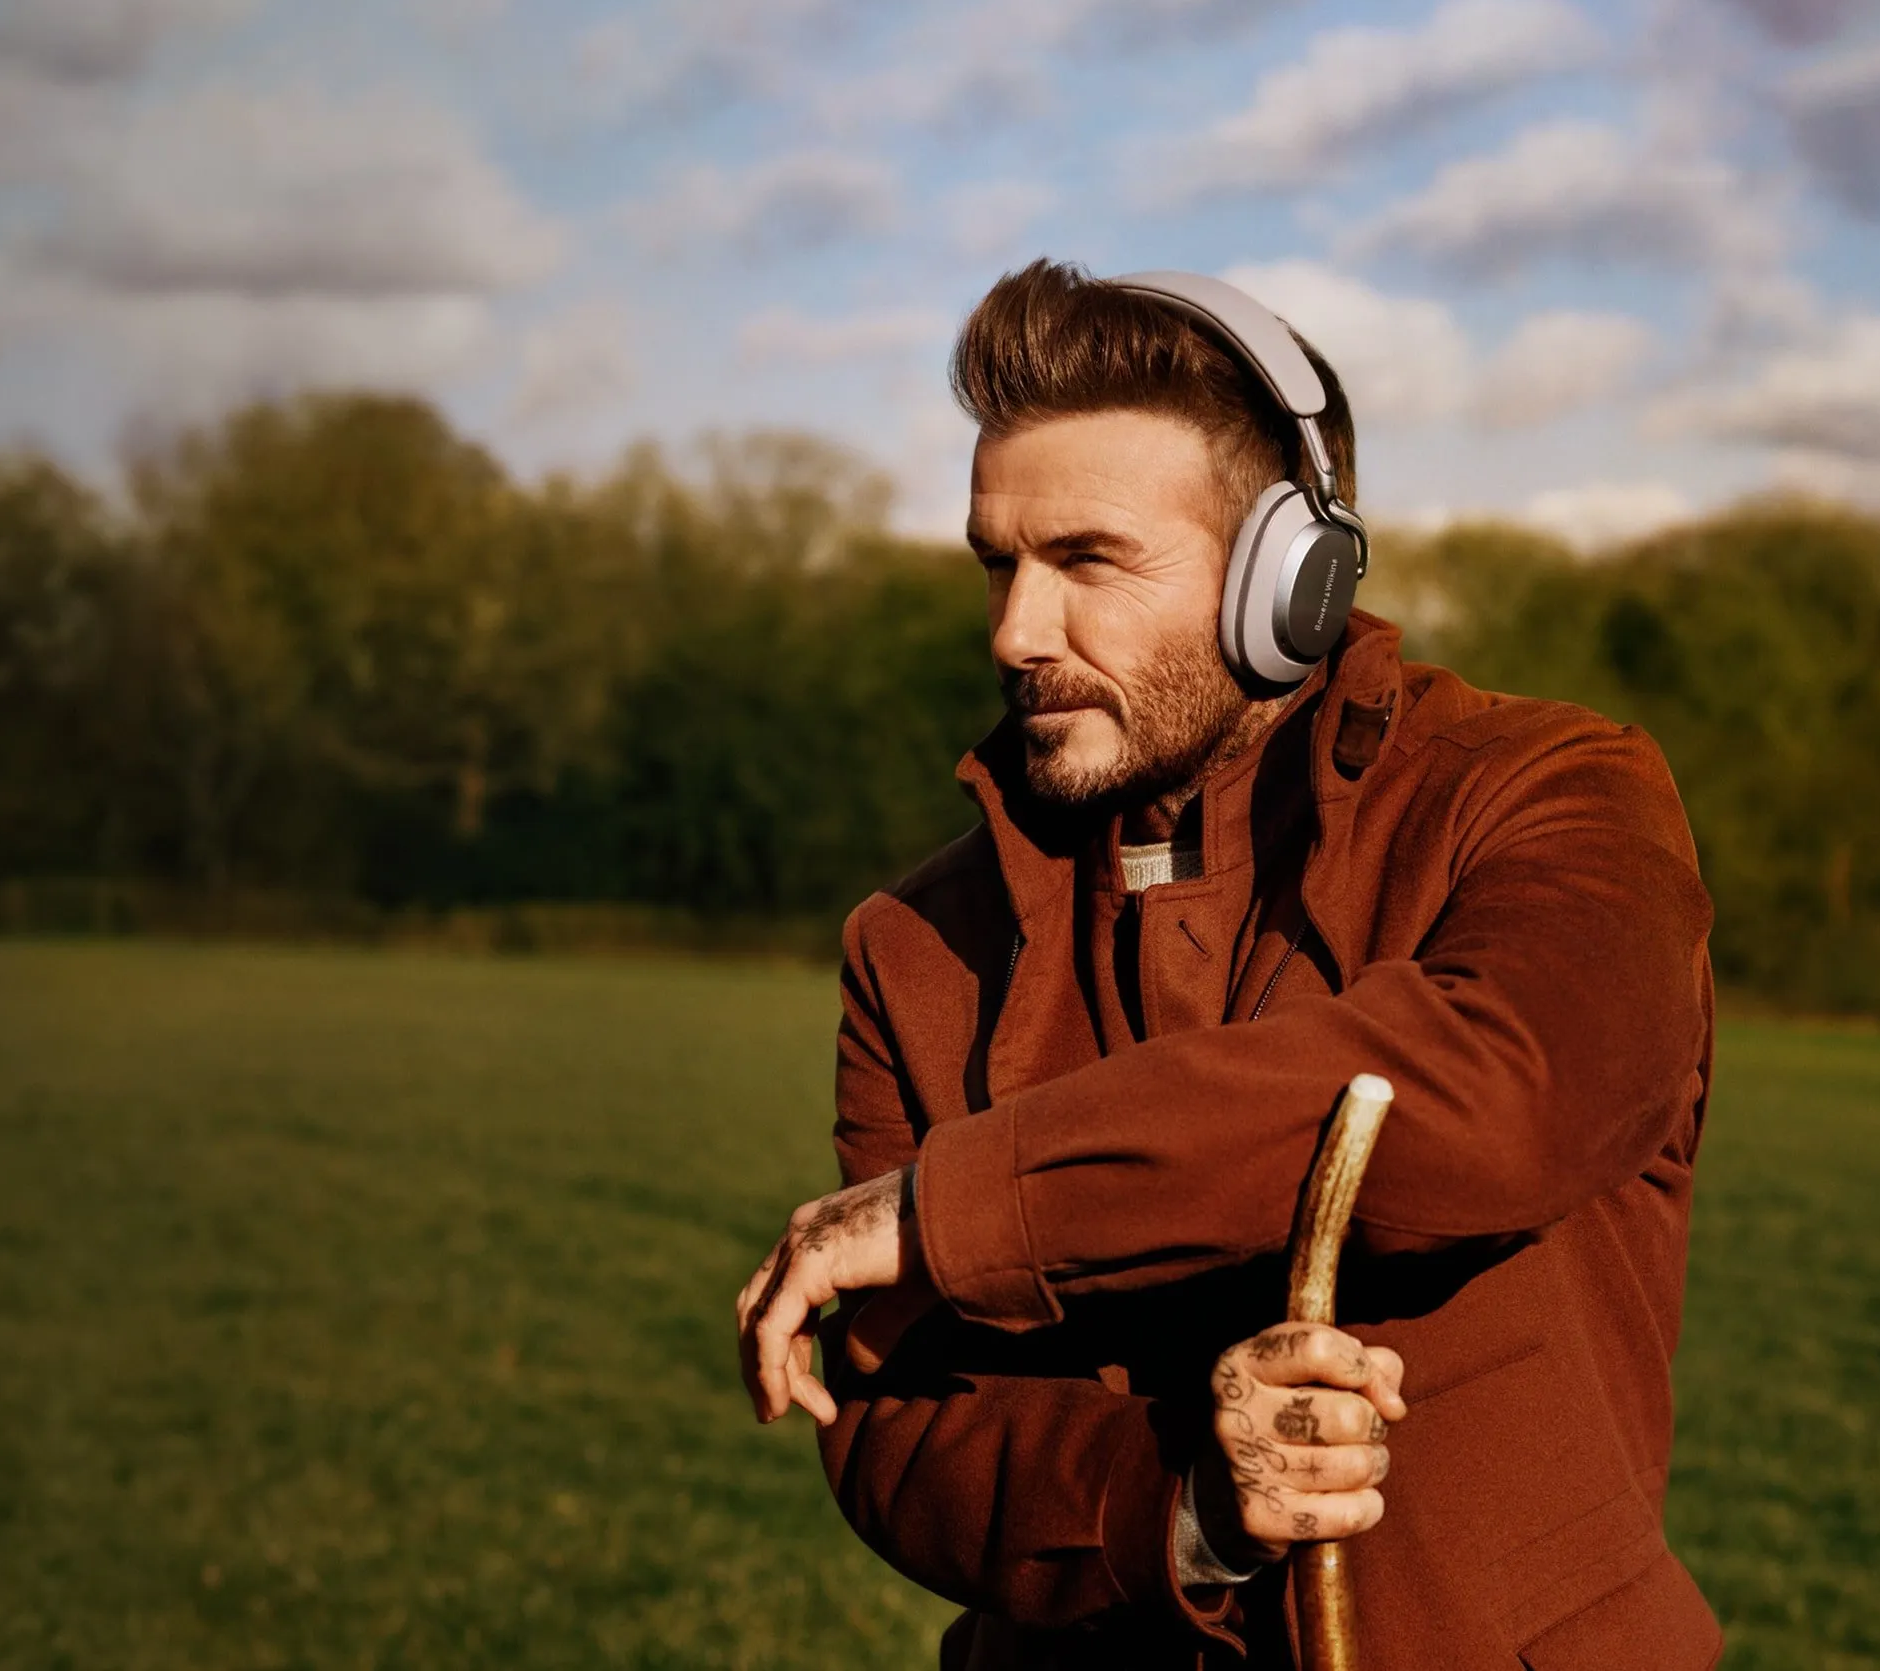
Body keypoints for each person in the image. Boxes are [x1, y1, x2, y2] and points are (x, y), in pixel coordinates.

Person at [732, 260, 1722, 1668]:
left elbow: (1498, 1091)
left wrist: (958, 1209)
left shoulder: (1551, 794)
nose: (1015, 632)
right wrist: (1188, 1500)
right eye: (998, 564)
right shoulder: (913, 944)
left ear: (1290, 578)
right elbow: (902, 1431)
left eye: (1088, 561)